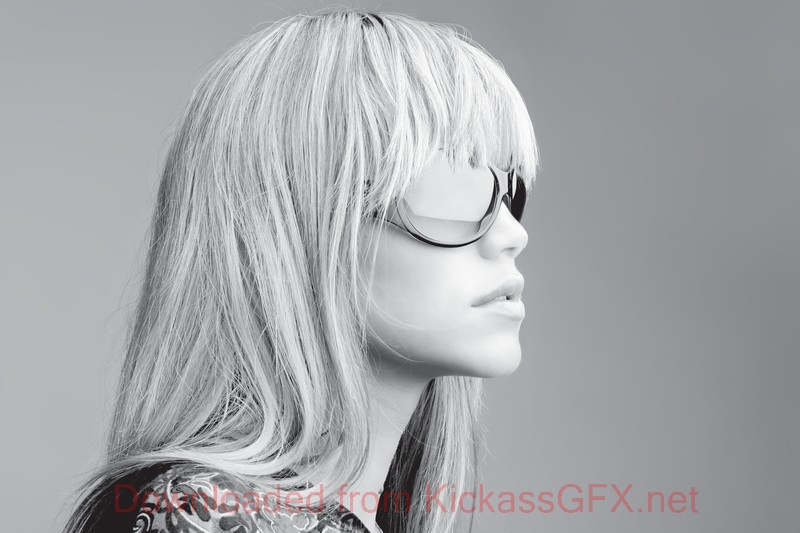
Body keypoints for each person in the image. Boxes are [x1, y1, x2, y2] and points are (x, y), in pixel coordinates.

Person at [61, 8, 539, 533]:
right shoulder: (203, 514)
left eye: (508, 191)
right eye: (455, 181)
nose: (511, 234)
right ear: (301, 222)